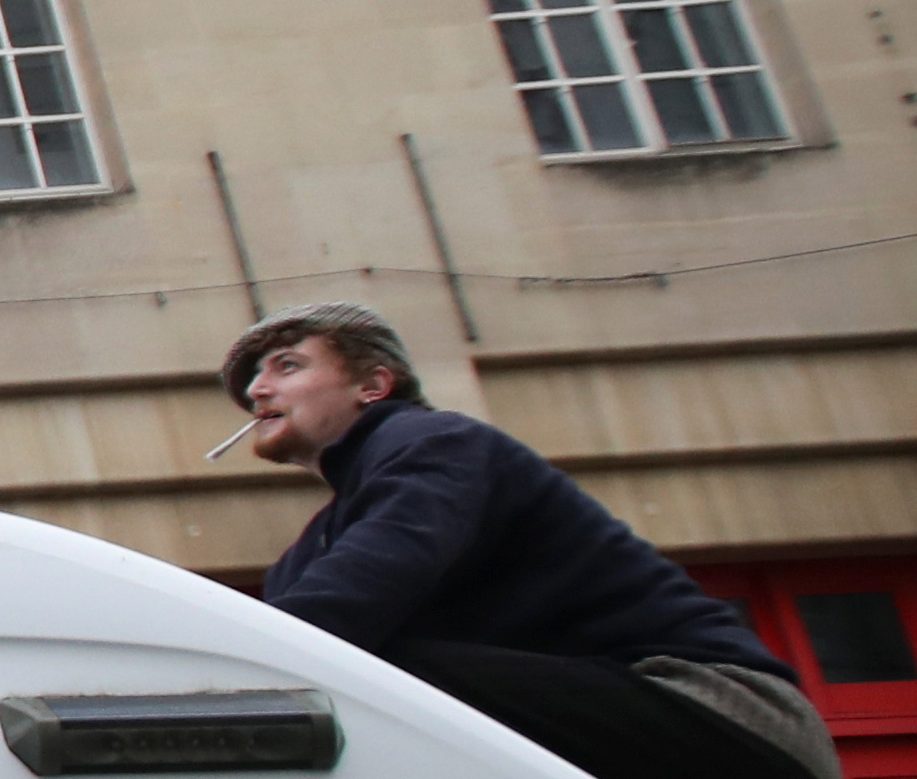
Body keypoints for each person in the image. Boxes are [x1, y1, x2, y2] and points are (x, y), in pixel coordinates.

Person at [220, 301, 841, 779]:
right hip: (618, 728)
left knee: (375, 671)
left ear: (373, 385)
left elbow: (349, 601)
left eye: (288, 366)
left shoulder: (432, 443)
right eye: (253, 379)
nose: (257, 390)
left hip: (720, 713)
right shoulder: (312, 547)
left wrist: (222, 677)